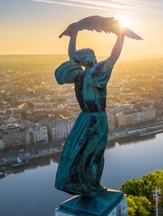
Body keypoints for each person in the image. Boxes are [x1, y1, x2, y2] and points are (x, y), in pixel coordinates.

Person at [54, 22, 125, 197]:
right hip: (97, 118)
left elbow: (72, 55)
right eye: (92, 54)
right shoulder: (97, 74)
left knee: (81, 153)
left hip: (84, 119)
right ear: (87, 60)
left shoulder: (78, 76)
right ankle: (93, 186)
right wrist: (120, 36)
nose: (95, 55)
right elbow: (114, 56)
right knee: (97, 154)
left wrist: (74, 35)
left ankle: (84, 184)